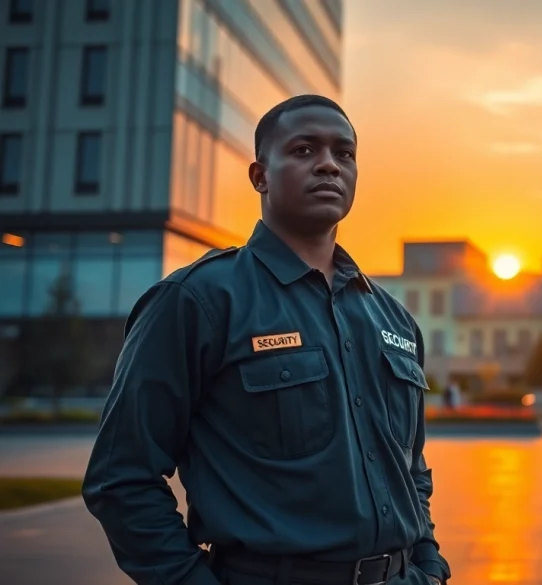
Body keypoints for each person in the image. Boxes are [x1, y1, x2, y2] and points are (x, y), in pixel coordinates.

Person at [82, 95, 450, 585]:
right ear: (259, 176)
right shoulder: (198, 300)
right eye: (303, 150)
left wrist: (429, 563)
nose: (328, 165)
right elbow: (120, 478)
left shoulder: (394, 320)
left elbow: (411, 470)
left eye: (345, 154)